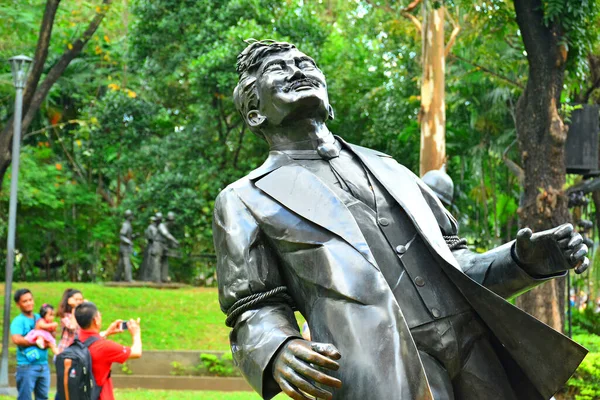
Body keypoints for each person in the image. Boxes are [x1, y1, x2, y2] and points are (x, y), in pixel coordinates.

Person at [213, 40, 590, 400]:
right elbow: (254, 303)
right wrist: (278, 347)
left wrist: (522, 261)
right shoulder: (245, 199)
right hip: (377, 361)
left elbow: (455, 263)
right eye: (279, 69)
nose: (298, 71)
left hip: (476, 346)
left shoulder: (390, 169)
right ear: (255, 112)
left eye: (305, 64)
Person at [74, 302, 142, 400]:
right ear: (95, 320)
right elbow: (136, 352)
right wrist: (136, 334)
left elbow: (90, 339)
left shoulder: (75, 341)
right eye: (99, 315)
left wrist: (107, 332)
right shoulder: (104, 347)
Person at [10, 288, 50, 400]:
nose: (29, 303)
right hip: (26, 366)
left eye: (30, 300)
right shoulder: (18, 321)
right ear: (18, 304)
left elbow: (48, 335)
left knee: (43, 397)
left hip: (44, 365)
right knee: (25, 398)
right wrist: (36, 343)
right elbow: (16, 339)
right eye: (25, 301)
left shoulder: (39, 318)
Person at [56, 288, 84, 354]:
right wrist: (74, 308)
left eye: (81, 299)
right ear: (69, 300)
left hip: (77, 351)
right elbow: (72, 327)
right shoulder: (65, 316)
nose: (79, 302)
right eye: (76, 299)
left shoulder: (81, 315)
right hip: (65, 351)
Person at [115, 209, 135, 282]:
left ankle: (116, 278)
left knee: (121, 264)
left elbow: (127, 236)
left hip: (125, 247)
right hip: (124, 248)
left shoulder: (128, 225)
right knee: (127, 263)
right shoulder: (125, 225)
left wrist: (134, 236)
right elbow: (121, 236)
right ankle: (128, 278)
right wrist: (129, 242)